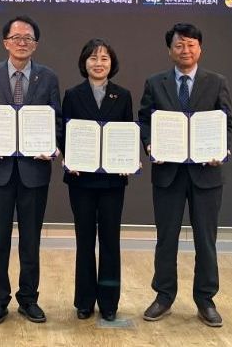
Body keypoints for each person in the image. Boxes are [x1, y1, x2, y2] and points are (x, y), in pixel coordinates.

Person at [138, 23, 232, 328]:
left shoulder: (216, 82)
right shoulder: (155, 83)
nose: (185, 50)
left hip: (207, 175)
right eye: (179, 45)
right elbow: (144, 121)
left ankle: (205, 299)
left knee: (206, 240)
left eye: (191, 45)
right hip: (167, 174)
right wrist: (149, 144)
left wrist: (222, 149)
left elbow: (228, 124)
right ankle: (164, 296)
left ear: (200, 49)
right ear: (170, 50)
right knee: (166, 239)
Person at [0, 15, 62, 325]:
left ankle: (29, 299)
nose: (22, 42)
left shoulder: (48, 77)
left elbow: (56, 119)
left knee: (31, 240)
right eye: (16, 37)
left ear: (36, 44)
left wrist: (53, 145)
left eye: (28, 38)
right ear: (5, 42)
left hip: (34, 170)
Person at [61, 38, 135, 322]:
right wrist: (68, 157)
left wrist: (129, 159)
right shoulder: (72, 94)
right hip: (81, 180)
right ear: (84, 63)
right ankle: (83, 301)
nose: (99, 63)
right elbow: (65, 133)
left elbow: (128, 133)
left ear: (112, 64)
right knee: (84, 241)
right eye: (93, 58)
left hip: (112, 182)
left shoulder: (123, 95)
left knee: (110, 241)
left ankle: (109, 302)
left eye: (104, 58)